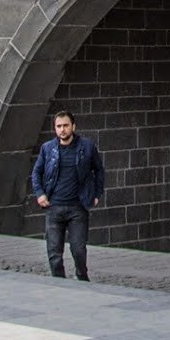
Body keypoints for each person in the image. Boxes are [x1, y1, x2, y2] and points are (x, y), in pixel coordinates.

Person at [29, 110, 103, 281]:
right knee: (54, 253)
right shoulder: (48, 149)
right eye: (59, 126)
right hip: (54, 207)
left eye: (65, 126)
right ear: (55, 128)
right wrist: (40, 194)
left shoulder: (87, 147)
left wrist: (97, 194)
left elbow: (99, 170)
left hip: (78, 207)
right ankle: (60, 284)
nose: (62, 130)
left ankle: (82, 278)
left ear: (73, 126)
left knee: (78, 250)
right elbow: (36, 172)